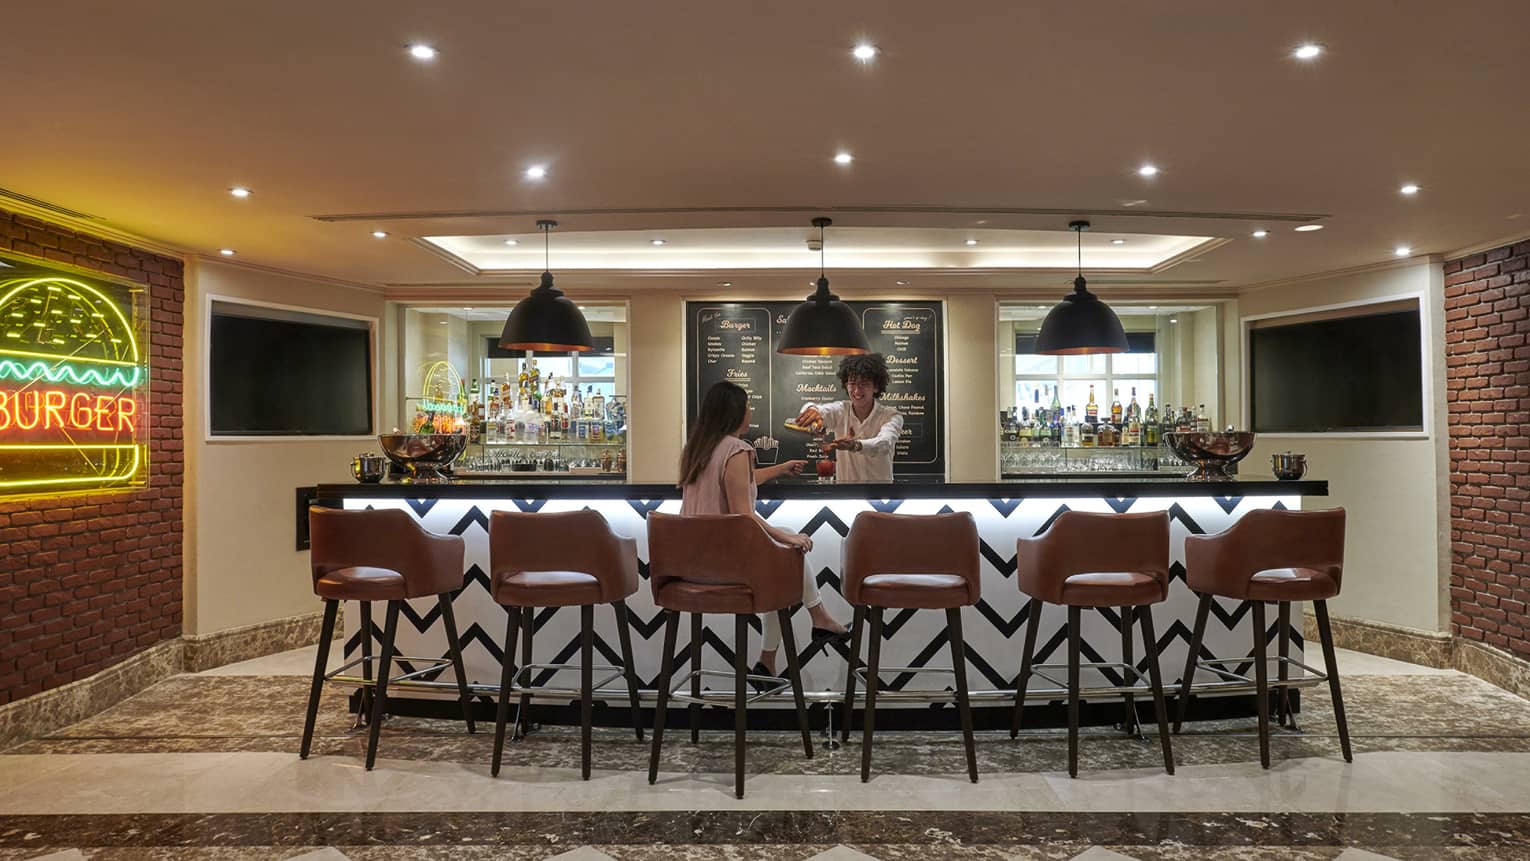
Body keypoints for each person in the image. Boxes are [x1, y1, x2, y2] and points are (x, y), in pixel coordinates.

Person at [679, 381, 849, 676]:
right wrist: (789, 537)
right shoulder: (738, 449)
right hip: (724, 567)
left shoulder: (699, 449)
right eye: (747, 407)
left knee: (776, 563)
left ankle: (767, 662)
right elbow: (744, 514)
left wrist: (780, 468)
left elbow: (738, 480)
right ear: (734, 413)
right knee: (786, 550)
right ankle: (819, 616)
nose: (750, 411)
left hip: (690, 564)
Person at [795, 353, 904, 483]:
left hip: (881, 495)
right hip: (846, 496)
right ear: (846, 385)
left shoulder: (891, 416)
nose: (857, 391)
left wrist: (855, 445)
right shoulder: (841, 410)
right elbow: (821, 410)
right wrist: (812, 410)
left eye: (864, 384)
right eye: (852, 383)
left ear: (876, 387)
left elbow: (884, 444)